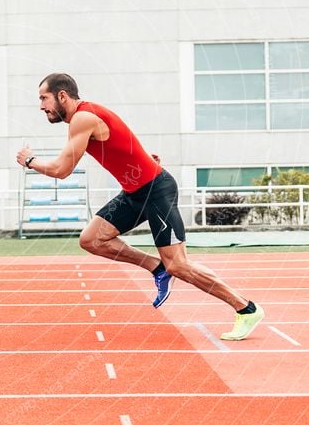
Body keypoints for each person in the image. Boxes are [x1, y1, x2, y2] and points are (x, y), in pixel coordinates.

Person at [16, 73, 264, 341]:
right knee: (91, 240)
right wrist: (146, 158)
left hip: (156, 191)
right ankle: (156, 268)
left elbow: (61, 170)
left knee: (178, 266)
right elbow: (121, 139)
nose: (41, 106)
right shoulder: (84, 117)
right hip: (135, 193)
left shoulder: (83, 118)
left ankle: (246, 308)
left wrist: (29, 161)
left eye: (44, 98)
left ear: (62, 95)